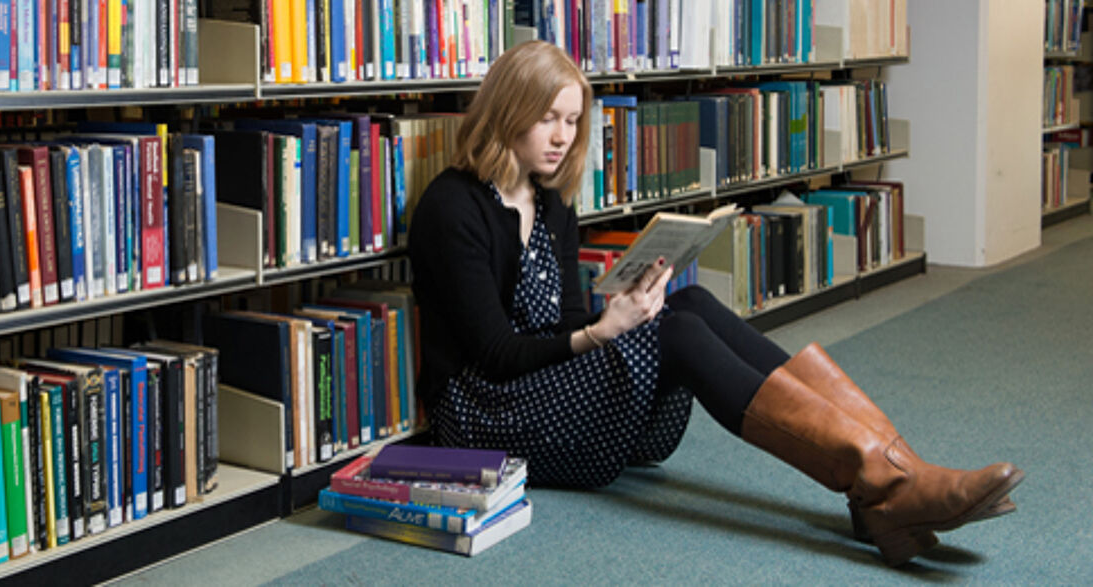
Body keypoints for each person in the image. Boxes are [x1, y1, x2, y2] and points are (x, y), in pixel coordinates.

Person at [406, 40, 1023, 567]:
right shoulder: (453, 206)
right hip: (489, 416)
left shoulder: (551, 201)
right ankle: (884, 484)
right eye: (548, 119)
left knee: (690, 300)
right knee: (676, 336)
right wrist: (601, 335)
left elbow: (564, 320)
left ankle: (893, 472)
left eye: (572, 122)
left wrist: (619, 312)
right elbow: (492, 353)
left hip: (549, 388)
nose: (563, 138)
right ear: (508, 111)